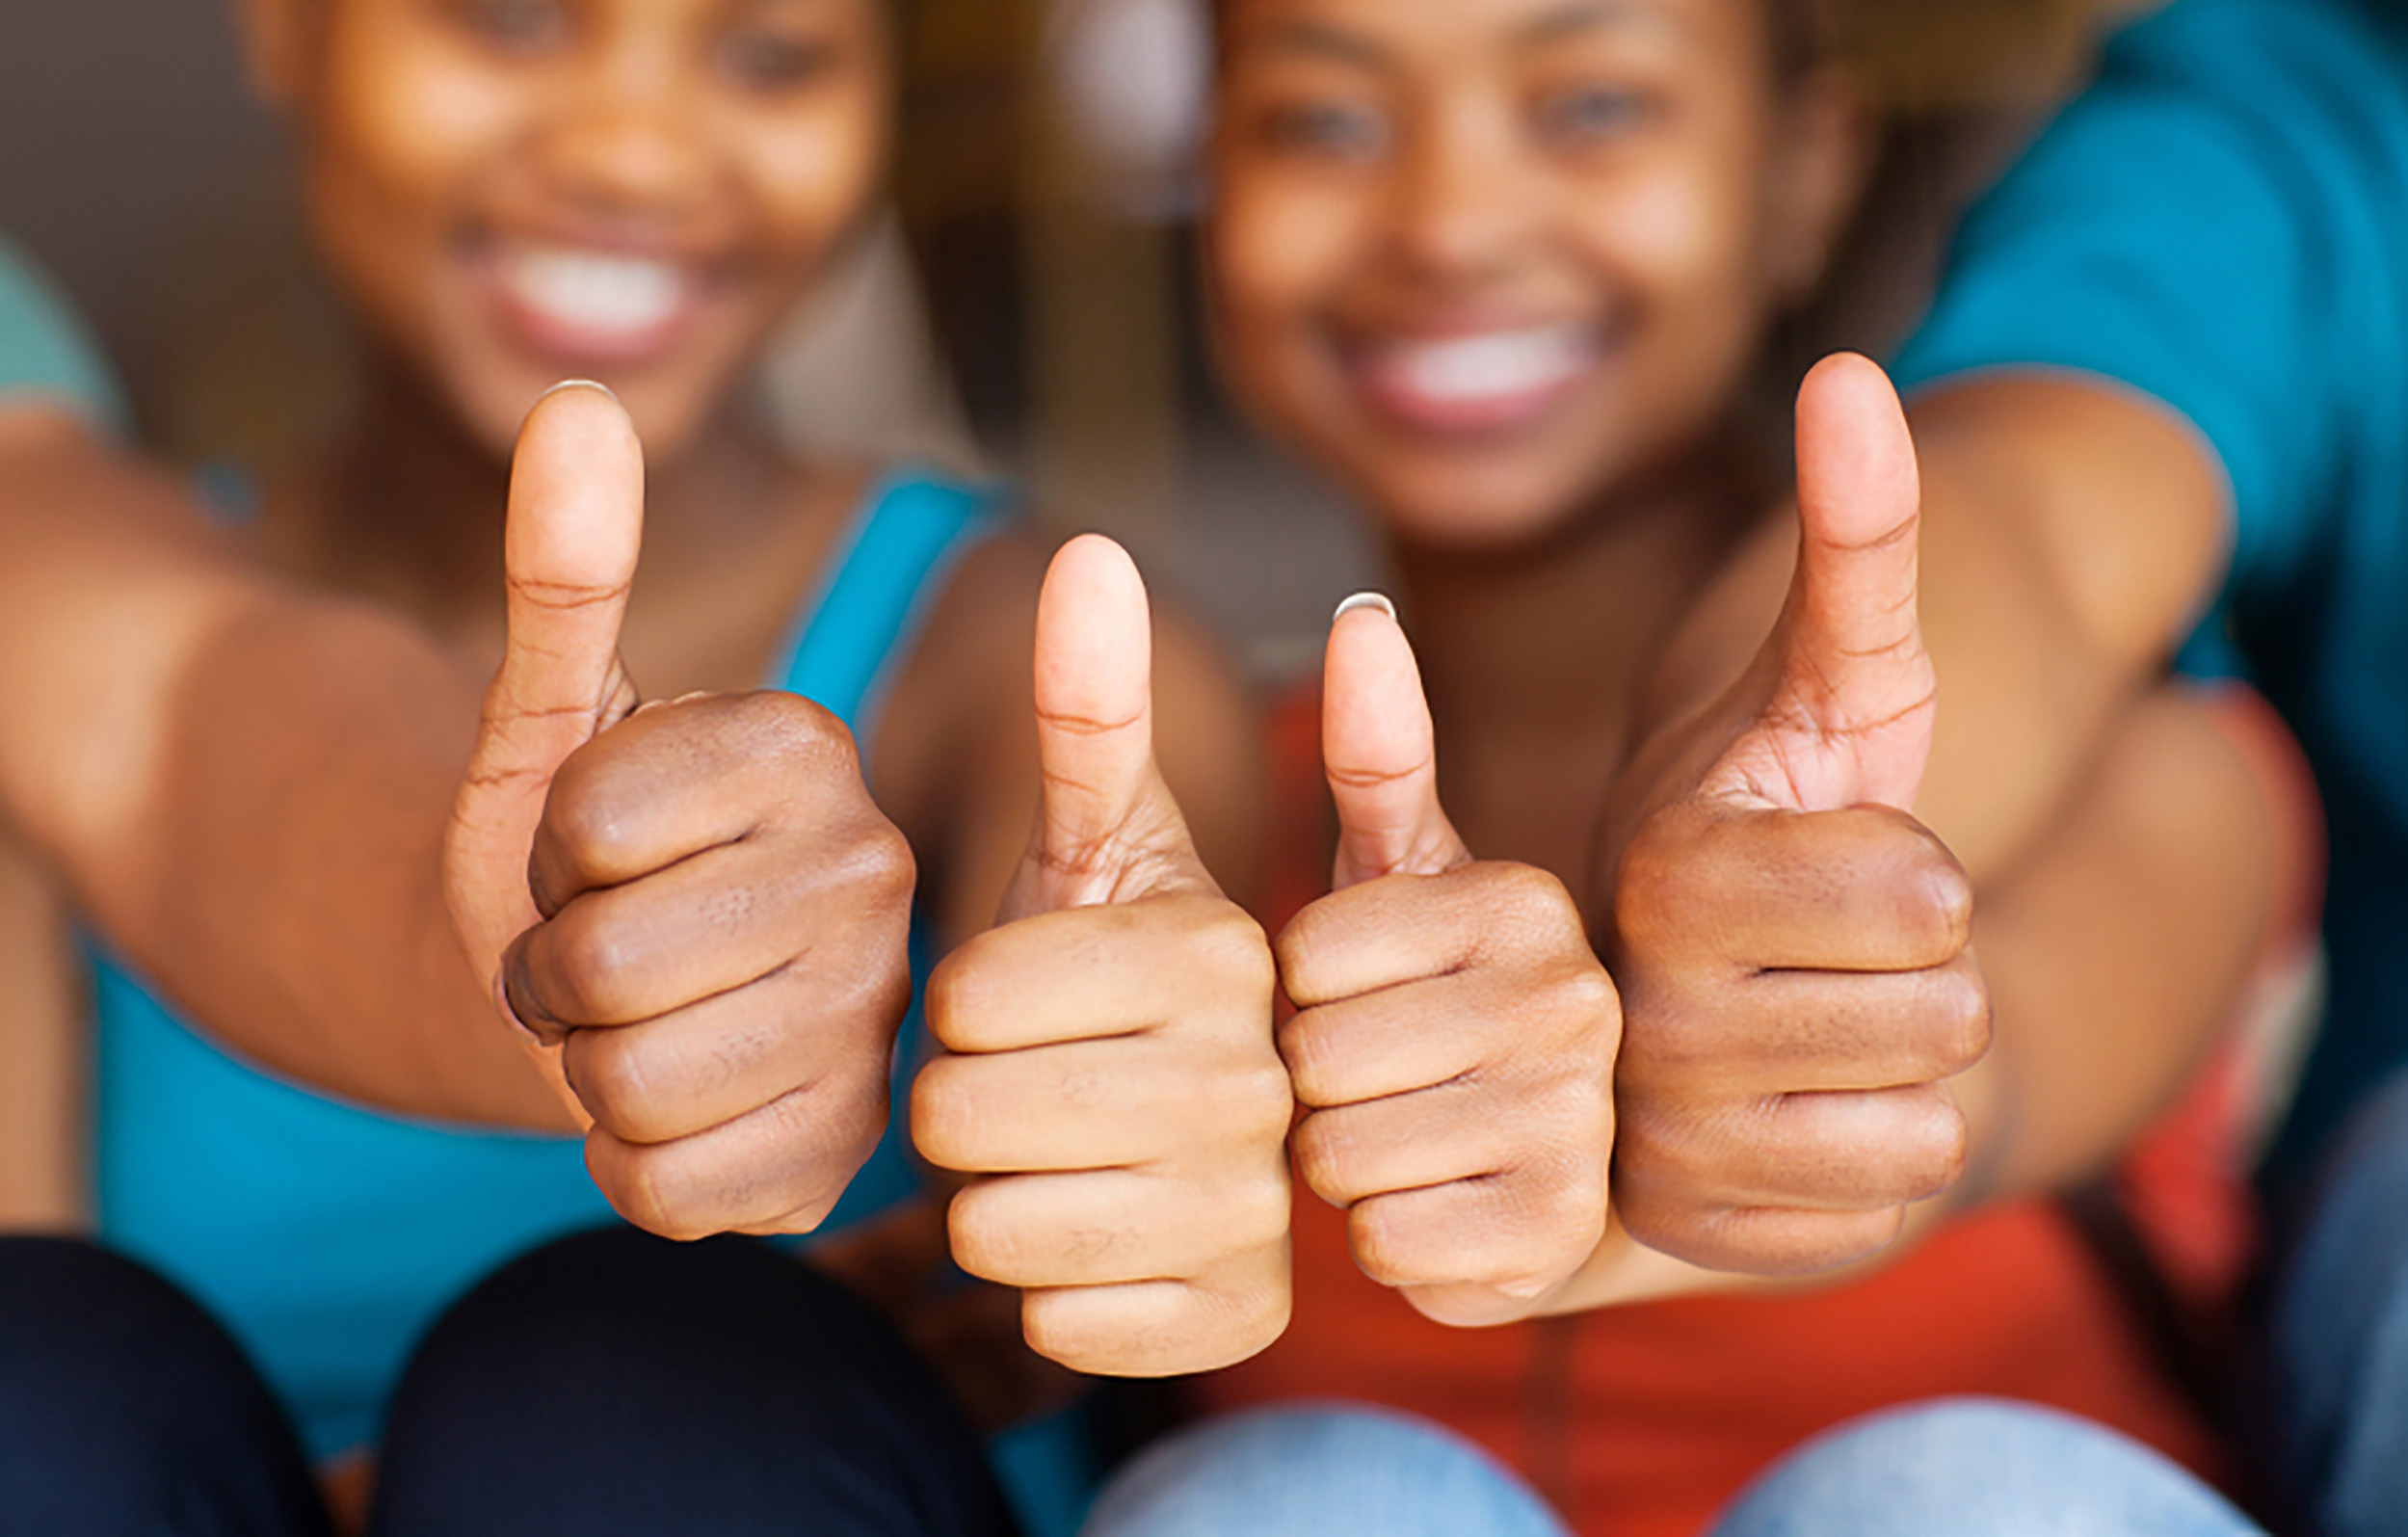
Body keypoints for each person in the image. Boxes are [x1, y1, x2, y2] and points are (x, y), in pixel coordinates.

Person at [3, 0, 1283, 1521]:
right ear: (286, 26)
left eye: (771, 56)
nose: (632, 149)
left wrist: (1158, 1147)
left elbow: (1148, 1063)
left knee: (627, 1397)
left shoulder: (1025, 659)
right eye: (513, 22)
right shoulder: (61, 632)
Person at [1075, 0, 2312, 1529]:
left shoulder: (2127, 754)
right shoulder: (1173, 835)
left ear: (1808, 164)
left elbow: (1992, 1071)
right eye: (1326, 121)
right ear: (1209, 180)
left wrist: (1796, 1084)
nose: (1451, 224)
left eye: (1591, 109)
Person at [1593, 0, 2408, 1530]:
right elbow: (2032, 515)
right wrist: (1764, 871)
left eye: (1590, 107)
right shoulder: (2294, 124)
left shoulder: (2199, 802)